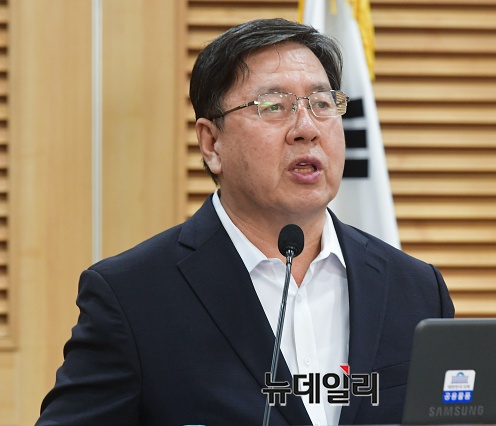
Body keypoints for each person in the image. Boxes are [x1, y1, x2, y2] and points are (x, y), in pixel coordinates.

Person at [36, 18, 454, 426]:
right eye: (273, 106)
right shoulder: (132, 297)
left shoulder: (416, 290)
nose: (306, 129)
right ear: (211, 143)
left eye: (322, 104)